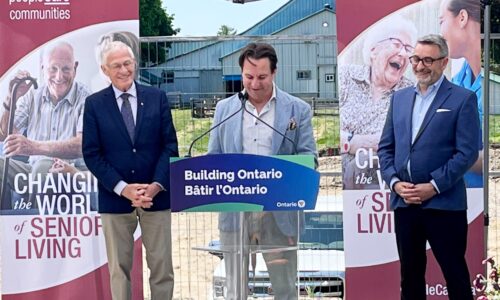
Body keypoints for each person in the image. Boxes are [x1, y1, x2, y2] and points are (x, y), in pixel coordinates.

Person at [207, 42, 317, 300]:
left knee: (285, 289)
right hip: (236, 215)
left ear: (275, 73)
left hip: (280, 216)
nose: (254, 84)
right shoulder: (224, 110)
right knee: (235, 290)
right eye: (248, 77)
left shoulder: (297, 110)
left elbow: (309, 159)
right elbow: (214, 158)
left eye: (262, 77)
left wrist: (276, 186)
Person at [378, 34, 479, 300]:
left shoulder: (462, 99)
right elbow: (385, 148)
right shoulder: (399, 99)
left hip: (444, 205)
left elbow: (466, 153)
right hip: (405, 204)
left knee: (455, 275)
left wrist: (433, 186)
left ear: (444, 62)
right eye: (416, 59)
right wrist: (395, 183)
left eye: (428, 60)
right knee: (410, 277)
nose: (420, 65)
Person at [82, 41, 178, 300]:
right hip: (115, 199)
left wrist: (156, 185)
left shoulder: (157, 98)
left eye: (128, 63)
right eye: (116, 65)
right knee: (119, 271)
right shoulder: (94, 104)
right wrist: (123, 188)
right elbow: (91, 153)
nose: (124, 70)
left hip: (156, 197)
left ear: (135, 63)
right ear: (104, 69)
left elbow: (170, 146)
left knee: (162, 268)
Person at [0, 41, 90, 208]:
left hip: (69, 173)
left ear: (75, 68)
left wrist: (33, 147)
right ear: (43, 68)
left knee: (42, 168)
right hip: (31, 171)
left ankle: (30, 226)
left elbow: (81, 145)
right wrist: (11, 98)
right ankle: (4, 228)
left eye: (65, 69)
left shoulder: (86, 99)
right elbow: (5, 134)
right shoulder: (32, 96)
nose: (59, 76)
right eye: (53, 69)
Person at [339, 15, 417, 189]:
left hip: (387, 183)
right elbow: (331, 131)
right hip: (344, 184)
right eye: (396, 44)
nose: (403, 53)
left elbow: (406, 141)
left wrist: (349, 142)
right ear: (373, 50)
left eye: (408, 48)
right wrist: (355, 142)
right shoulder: (345, 76)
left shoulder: (410, 92)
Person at [439, 0, 483, 187]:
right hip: (455, 191)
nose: (440, 33)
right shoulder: (456, 82)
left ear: (462, 18)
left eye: (441, 21)